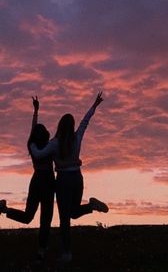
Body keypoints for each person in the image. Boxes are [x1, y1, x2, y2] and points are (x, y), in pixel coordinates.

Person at [30, 91, 109, 263]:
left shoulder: (54, 144)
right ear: (71, 126)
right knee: (73, 212)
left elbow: (38, 153)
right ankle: (91, 207)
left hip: (64, 181)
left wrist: (32, 145)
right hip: (78, 178)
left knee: (65, 220)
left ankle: (67, 254)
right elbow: (85, 122)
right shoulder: (76, 138)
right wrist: (94, 105)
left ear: (59, 125)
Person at [0, 96, 55, 260]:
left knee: (28, 216)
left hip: (36, 180)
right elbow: (35, 131)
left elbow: (32, 132)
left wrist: (36, 111)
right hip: (47, 181)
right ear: (46, 134)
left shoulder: (31, 146)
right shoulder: (50, 145)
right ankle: (41, 250)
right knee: (46, 219)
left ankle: (3, 209)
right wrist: (36, 111)